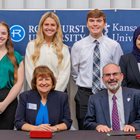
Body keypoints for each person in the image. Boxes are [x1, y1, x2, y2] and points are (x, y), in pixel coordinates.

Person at [71, 9, 123, 129]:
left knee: (106, 127)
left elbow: (117, 70)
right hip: (84, 94)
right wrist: (85, 83)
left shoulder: (114, 45)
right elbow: (74, 72)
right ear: (87, 24)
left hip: (106, 92)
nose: (95, 24)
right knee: (84, 128)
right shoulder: (78, 46)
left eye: (99, 21)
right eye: (92, 21)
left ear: (104, 24)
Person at [84, 63, 140, 132]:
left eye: (115, 74)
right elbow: (88, 123)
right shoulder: (94, 99)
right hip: (105, 137)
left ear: (122, 76)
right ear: (103, 79)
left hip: (128, 136)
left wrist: (133, 126)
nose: (111, 78)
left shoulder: (136, 95)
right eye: (107, 75)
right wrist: (98, 126)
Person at [15, 65, 72, 132]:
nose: (44, 83)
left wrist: (54, 128)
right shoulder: (25, 97)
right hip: (30, 136)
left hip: (55, 135)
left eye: (47, 79)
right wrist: (35, 128)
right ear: (35, 83)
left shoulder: (62, 97)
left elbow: (67, 122)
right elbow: (18, 122)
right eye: (40, 79)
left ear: (52, 82)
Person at [25, 12, 70, 91]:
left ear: (57, 28)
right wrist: (38, 90)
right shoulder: (31, 46)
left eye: (53, 25)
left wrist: (55, 93)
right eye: (46, 24)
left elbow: (64, 73)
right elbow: (29, 71)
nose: (49, 27)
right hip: (36, 93)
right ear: (41, 27)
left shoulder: (63, 48)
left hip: (58, 93)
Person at [0, 21, 24, 129]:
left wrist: (4, 104)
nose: (0, 36)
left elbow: (19, 83)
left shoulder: (16, 57)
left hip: (8, 100)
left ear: (8, 36)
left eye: (3, 33)